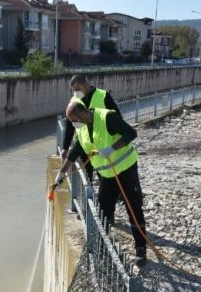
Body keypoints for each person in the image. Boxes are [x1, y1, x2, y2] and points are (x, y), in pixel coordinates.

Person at [54, 102, 147, 260]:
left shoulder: (107, 117)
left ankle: (140, 248)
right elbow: (75, 150)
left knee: (133, 207)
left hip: (126, 170)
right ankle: (103, 246)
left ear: (82, 113)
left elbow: (131, 133)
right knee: (103, 210)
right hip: (108, 175)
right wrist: (62, 172)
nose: (74, 123)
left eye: (74, 119)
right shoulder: (82, 129)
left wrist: (112, 148)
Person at [61, 75, 122, 179]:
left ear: (85, 84)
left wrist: (116, 144)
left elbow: (118, 118)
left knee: (104, 172)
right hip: (84, 143)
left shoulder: (103, 96)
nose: (75, 92)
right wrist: (65, 147)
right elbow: (70, 125)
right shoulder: (74, 100)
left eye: (77, 89)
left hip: (103, 143)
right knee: (86, 175)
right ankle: (89, 192)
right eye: (73, 90)